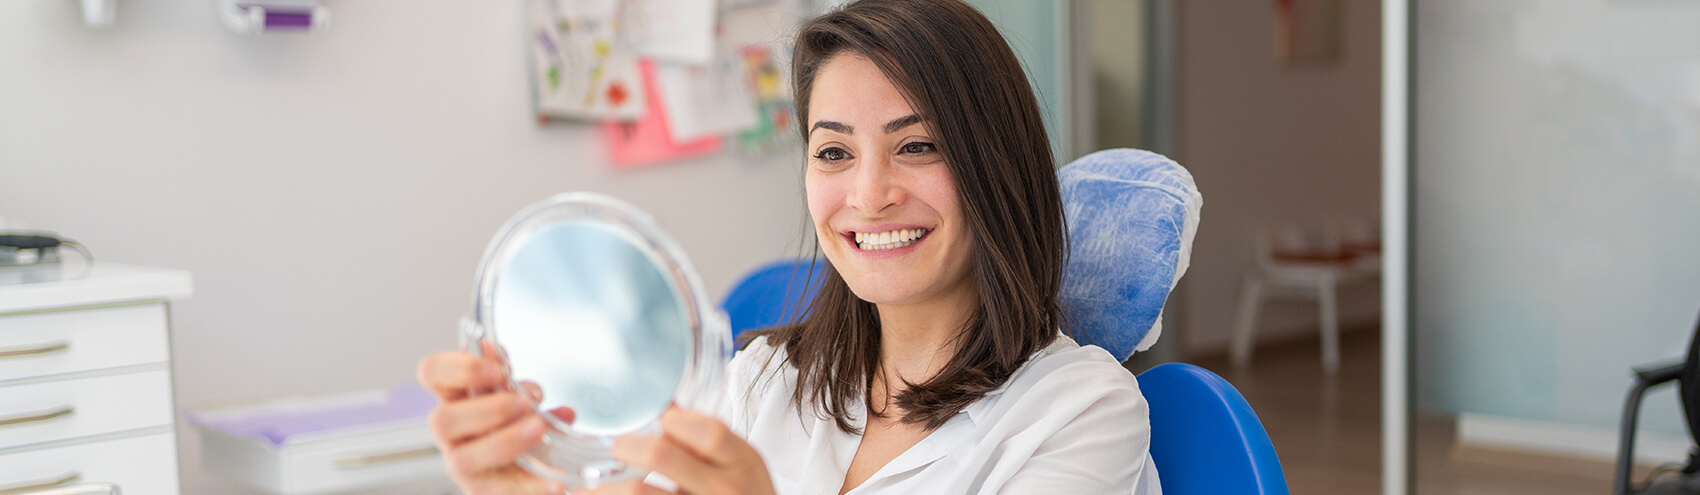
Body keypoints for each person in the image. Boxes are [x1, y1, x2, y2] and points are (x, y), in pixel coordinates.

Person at [416, 0, 1162, 493]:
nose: (869, 194)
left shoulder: (1082, 411)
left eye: (919, 145)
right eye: (833, 153)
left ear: (995, 162)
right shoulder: (760, 380)